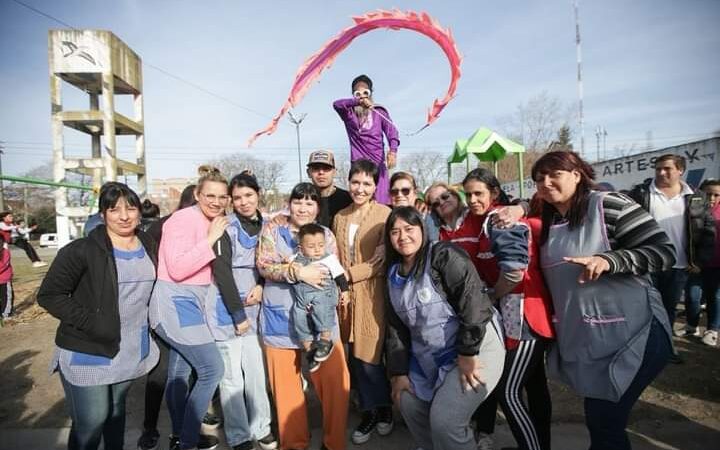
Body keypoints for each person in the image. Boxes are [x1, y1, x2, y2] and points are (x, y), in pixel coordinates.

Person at [532, 151, 675, 450]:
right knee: (600, 421)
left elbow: (664, 252)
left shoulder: (609, 205)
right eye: (538, 178)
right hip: (592, 339)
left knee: (604, 420)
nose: (545, 182)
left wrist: (610, 260)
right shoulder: (549, 219)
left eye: (554, 174)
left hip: (635, 334)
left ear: (576, 174)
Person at [37, 182, 160, 450]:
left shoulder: (148, 242)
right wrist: (92, 323)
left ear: (140, 211)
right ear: (102, 214)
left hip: (129, 345)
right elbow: (50, 295)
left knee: (116, 416)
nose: (124, 216)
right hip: (89, 347)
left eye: (131, 208)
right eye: (114, 209)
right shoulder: (82, 250)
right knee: (92, 421)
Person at [384, 206, 505, 450]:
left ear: (422, 229)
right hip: (431, 355)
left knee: (446, 421)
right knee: (407, 400)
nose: (402, 236)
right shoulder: (392, 275)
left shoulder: (443, 255)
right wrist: (398, 373)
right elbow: (396, 328)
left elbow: (474, 304)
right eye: (395, 231)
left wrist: (468, 353)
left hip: (475, 347)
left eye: (409, 229)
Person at [150, 166, 250, 450]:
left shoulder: (215, 219)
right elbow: (179, 268)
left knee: (179, 374)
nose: (217, 202)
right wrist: (209, 240)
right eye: (210, 195)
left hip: (193, 302)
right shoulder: (182, 220)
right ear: (197, 194)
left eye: (222, 197)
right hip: (175, 301)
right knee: (211, 369)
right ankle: (188, 441)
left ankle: (180, 435)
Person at [462, 168, 554, 450]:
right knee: (535, 387)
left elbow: (514, 272)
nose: (473, 199)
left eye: (479, 193)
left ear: (494, 192)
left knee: (507, 391)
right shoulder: (490, 218)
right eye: (468, 194)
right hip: (527, 313)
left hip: (524, 317)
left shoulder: (499, 219)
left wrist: (491, 296)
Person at [256, 182, 350, 450]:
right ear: (290, 203)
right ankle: (294, 443)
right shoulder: (273, 228)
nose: (303, 208)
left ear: (318, 208)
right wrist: (295, 271)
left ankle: (334, 442)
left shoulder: (326, 235)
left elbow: (335, 269)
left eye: (310, 203)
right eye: (298, 201)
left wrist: (342, 291)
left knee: (336, 382)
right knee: (286, 390)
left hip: (321, 320)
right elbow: (264, 265)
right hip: (281, 318)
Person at [206, 172, 277, 450]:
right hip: (227, 310)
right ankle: (238, 435)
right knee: (232, 377)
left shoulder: (268, 225)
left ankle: (262, 427)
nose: (244, 202)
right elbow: (221, 272)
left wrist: (260, 284)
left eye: (248, 195)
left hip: (256, 308)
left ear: (258, 194)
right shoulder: (225, 227)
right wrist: (237, 316)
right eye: (237, 198)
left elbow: (270, 262)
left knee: (257, 374)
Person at [627, 154, 715, 362]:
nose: (661, 173)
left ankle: (666, 349)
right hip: (646, 264)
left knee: (668, 309)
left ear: (680, 170)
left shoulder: (695, 197)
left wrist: (699, 261)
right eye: (658, 169)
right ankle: (642, 350)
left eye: (666, 168)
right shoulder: (641, 194)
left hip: (679, 265)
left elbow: (708, 230)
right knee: (643, 309)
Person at [332, 159, 393, 444]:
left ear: (375, 186)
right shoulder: (340, 216)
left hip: (372, 295)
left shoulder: (384, 214)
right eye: (355, 182)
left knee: (370, 358)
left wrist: (346, 275)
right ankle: (370, 409)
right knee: (354, 357)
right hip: (345, 297)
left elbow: (381, 261)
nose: (360, 188)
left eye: (367, 183)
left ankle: (381, 411)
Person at [137, 184, 200, 450]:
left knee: (195, 367)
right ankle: (150, 427)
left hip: (193, 308)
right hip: (163, 307)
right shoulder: (163, 227)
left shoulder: (205, 227)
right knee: (161, 371)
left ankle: (190, 420)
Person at [291, 223, 350, 372]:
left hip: (324, 292)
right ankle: (309, 349)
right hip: (302, 298)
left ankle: (325, 340)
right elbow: (289, 269)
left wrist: (345, 291)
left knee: (322, 310)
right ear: (301, 248)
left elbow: (340, 276)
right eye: (311, 246)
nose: (317, 249)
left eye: (321, 245)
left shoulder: (329, 259)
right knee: (298, 316)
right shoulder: (296, 259)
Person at [333, 74, 399, 205]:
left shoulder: (379, 112)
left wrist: (393, 151)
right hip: (358, 165)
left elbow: (393, 132)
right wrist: (358, 102)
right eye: (358, 93)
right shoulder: (348, 113)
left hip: (378, 166)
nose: (362, 96)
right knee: (360, 201)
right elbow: (336, 104)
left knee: (381, 204)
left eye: (365, 92)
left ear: (371, 93)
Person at [693, 179, 720, 346]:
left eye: (716, 194)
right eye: (708, 193)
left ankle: (712, 330)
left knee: (714, 297)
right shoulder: (692, 210)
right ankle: (692, 326)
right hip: (695, 264)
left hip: (716, 264)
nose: (712, 197)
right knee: (692, 297)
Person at [306, 149, 353, 228]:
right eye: (316, 168)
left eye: (326, 168)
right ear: (308, 173)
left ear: (334, 172)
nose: (321, 172)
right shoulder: (303, 200)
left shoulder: (348, 199)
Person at [389, 171, 440, 241]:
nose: (399, 195)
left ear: (415, 192)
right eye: (394, 191)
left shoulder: (425, 215)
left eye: (405, 191)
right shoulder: (386, 215)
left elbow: (433, 244)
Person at [0, 234, 13, 320]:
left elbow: (4, 265)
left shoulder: (5, 252)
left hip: (4, 280)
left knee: (6, 297)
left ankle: (5, 314)